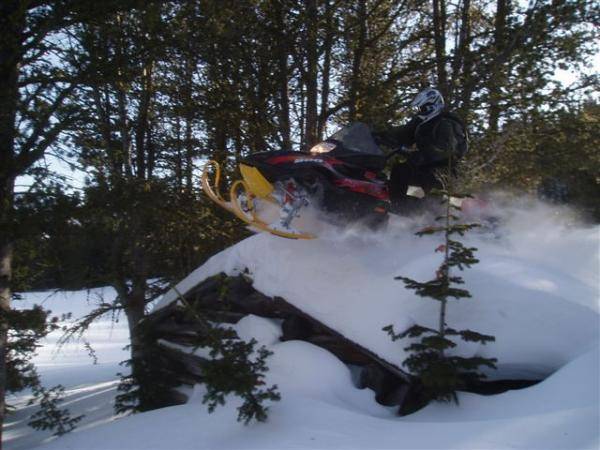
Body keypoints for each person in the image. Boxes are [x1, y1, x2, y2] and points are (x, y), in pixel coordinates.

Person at [372, 87, 468, 213]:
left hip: (444, 169)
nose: (421, 111)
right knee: (401, 171)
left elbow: (447, 149)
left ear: (434, 105)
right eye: (420, 108)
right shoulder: (422, 123)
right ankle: (402, 208)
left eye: (424, 108)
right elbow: (402, 134)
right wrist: (380, 136)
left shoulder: (446, 123)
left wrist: (424, 155)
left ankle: (421, 210)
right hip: (424, 166)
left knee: (412, 175)